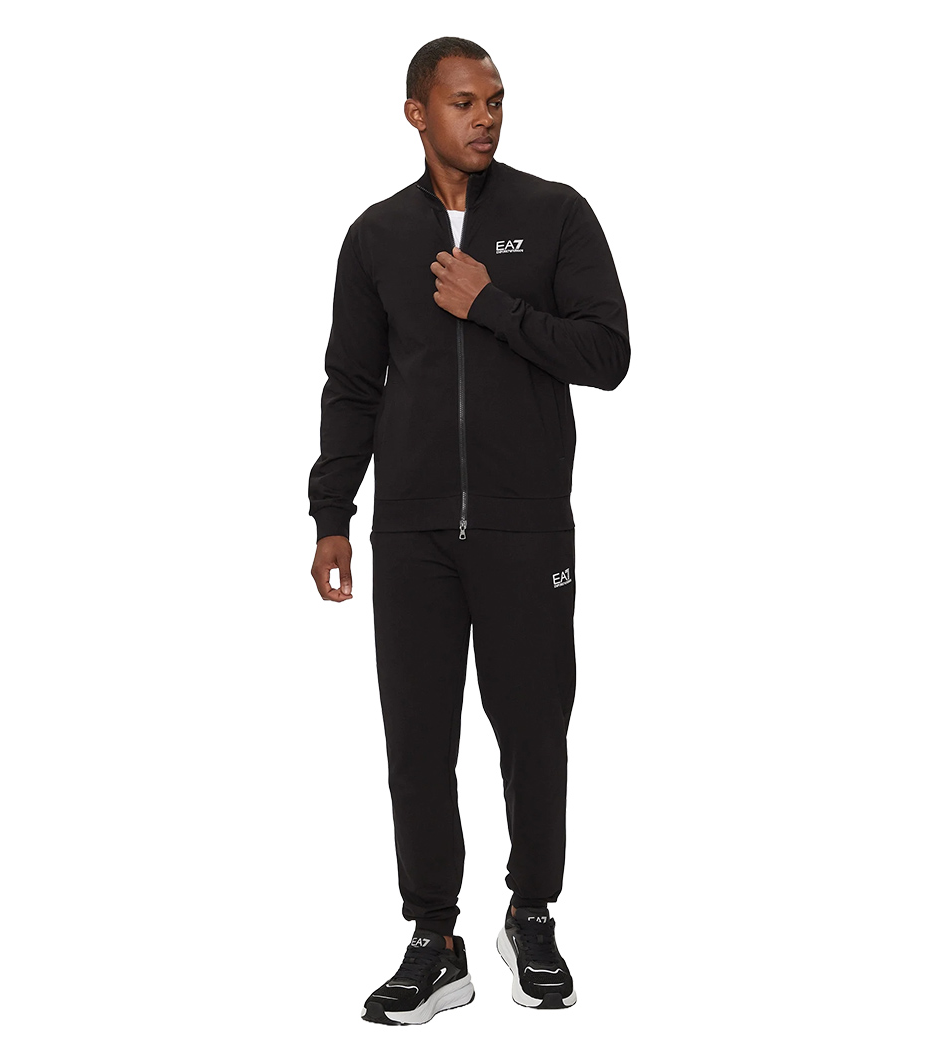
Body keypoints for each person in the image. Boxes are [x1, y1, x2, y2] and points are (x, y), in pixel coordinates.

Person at [308, 36, 630, 1025]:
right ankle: (433, 940)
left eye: (494, 100)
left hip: (525, 529)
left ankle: (531, 915)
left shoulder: (555, 214)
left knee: (533, 734)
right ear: (418, 113)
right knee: (417, 742)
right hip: (410, 534)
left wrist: (492, 305)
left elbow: (608, 355)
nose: (484, 117)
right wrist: (332, 514)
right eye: (463, 102)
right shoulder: (375, 237)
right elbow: (352, 383)